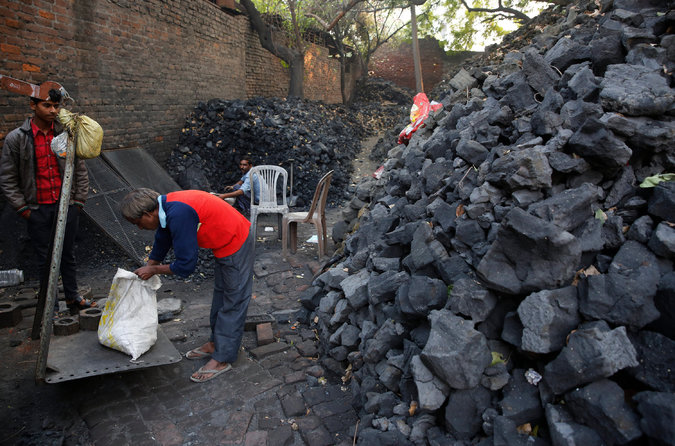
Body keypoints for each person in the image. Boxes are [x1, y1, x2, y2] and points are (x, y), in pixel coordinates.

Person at [120, 188, 254, 383]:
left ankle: (223, 358)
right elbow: (163, 238)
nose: (140, 228)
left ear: (149, 213)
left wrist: (154, 271)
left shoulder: (179, 213)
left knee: (234, 299)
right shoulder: (165, 206)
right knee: (221, 295)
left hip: (235, 239)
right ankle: (217, 343)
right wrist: (150, 265)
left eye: (138, 223)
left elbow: (186, 265)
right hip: (223, 241)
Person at [0, 84, 95, 316]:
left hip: (67, 207)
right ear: (33, 106)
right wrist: (23, 209)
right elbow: (7, 178)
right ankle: (49, 306)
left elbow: (81, 170)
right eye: (47, 105)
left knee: (68, 254)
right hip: (37, 208)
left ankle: (73, 297)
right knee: (44, 259)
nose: (53, 111)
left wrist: (78, 202)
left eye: (56, 106)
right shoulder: (17, 139)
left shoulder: (65, 134)